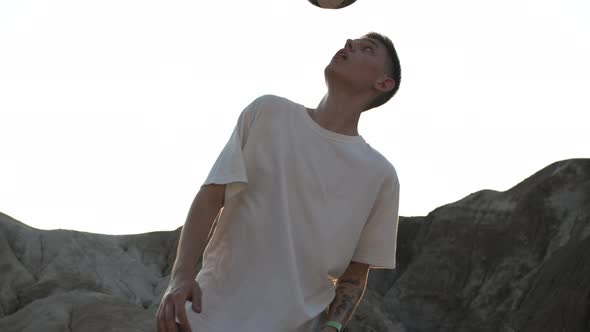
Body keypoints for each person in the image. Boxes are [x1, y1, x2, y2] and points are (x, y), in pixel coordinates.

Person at [156, 31, 402, 332]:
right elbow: (211, 196)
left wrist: (334, 326)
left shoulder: (380, 175)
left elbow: (356, 272)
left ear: (383, 83)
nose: (349, 44)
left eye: (367, 48)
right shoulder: (268, 112)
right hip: (206, 317)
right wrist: (180, 277)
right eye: (351, 41)